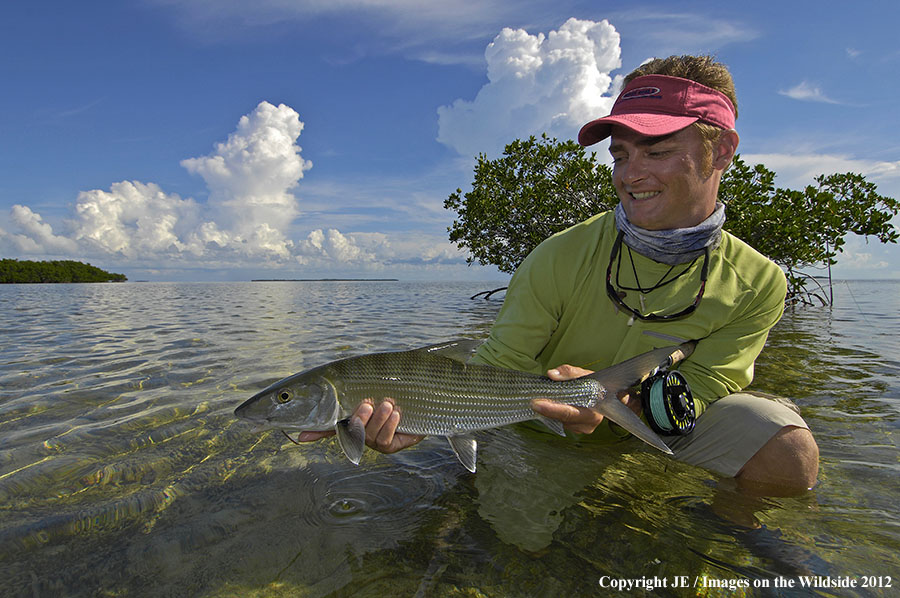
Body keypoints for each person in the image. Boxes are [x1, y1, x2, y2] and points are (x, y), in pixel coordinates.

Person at [299, 55, 819, 495]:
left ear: (722, 151)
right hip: (540, 424)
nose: (630, 174)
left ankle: (730, 550)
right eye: (620, 155)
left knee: (788, 451)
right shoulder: (558, 256)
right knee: (522, 548)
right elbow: (498, 363)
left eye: (657, 152)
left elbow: (712, 380)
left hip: (661, 421)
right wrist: (428, 417)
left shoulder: (761, 281)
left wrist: (624, 403)